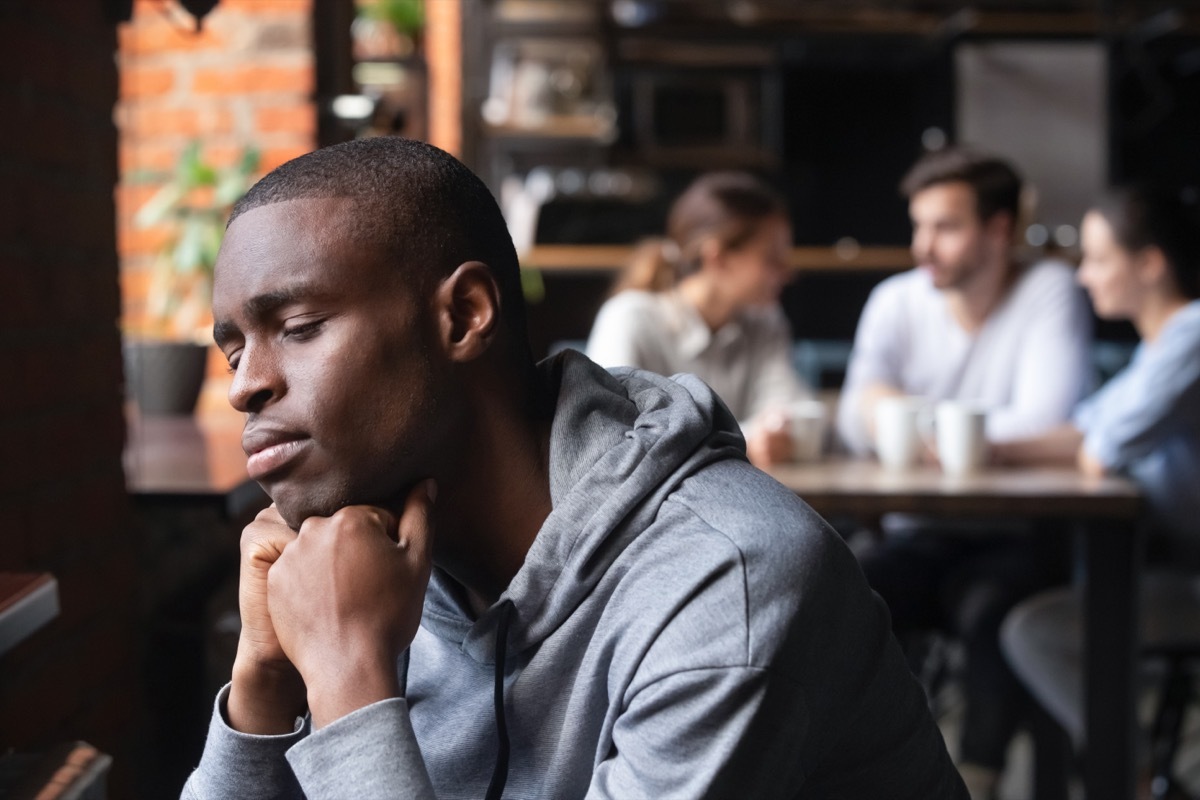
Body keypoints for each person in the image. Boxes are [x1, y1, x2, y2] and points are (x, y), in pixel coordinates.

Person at [181, 137, 967, 799]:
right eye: (234, 348)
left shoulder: (728, 585)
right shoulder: (361, 561)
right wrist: (266, 682)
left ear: (464, 315)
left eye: (301, 326)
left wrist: (353, 683)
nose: (246, 383)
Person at [835, 146, 1094, 798]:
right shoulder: (897, 300)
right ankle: (852, 778)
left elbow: (1050, 415)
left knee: (992, 612)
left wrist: (913, 423)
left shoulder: (1048, 291)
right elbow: (853, 414)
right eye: (918, 226)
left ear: (999, 229)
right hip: (915, 532)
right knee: (833, 589)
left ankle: (976, 783)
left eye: (945, 227)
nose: (924, 246)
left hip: (1016, 535)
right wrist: (969, 430)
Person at [999, 185, 1200, 751]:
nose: (1084, 277)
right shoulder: (1160, 346)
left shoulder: (1192, 337)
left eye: (1098, 259)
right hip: (1177, 566)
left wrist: (1079, 446)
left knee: (1034, 631)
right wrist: (994, 451)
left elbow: (1100, 449)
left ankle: (1128, 781)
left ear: (1151, 263)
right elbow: (1089, 429)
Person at [586, 171, 812, 468]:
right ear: (717, 257)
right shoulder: (629, 318)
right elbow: (610, 440)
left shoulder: (765, 322)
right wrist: (744, 440)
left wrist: (780, 434)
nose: (787, 272)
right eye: (772, 257)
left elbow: (799, 415)